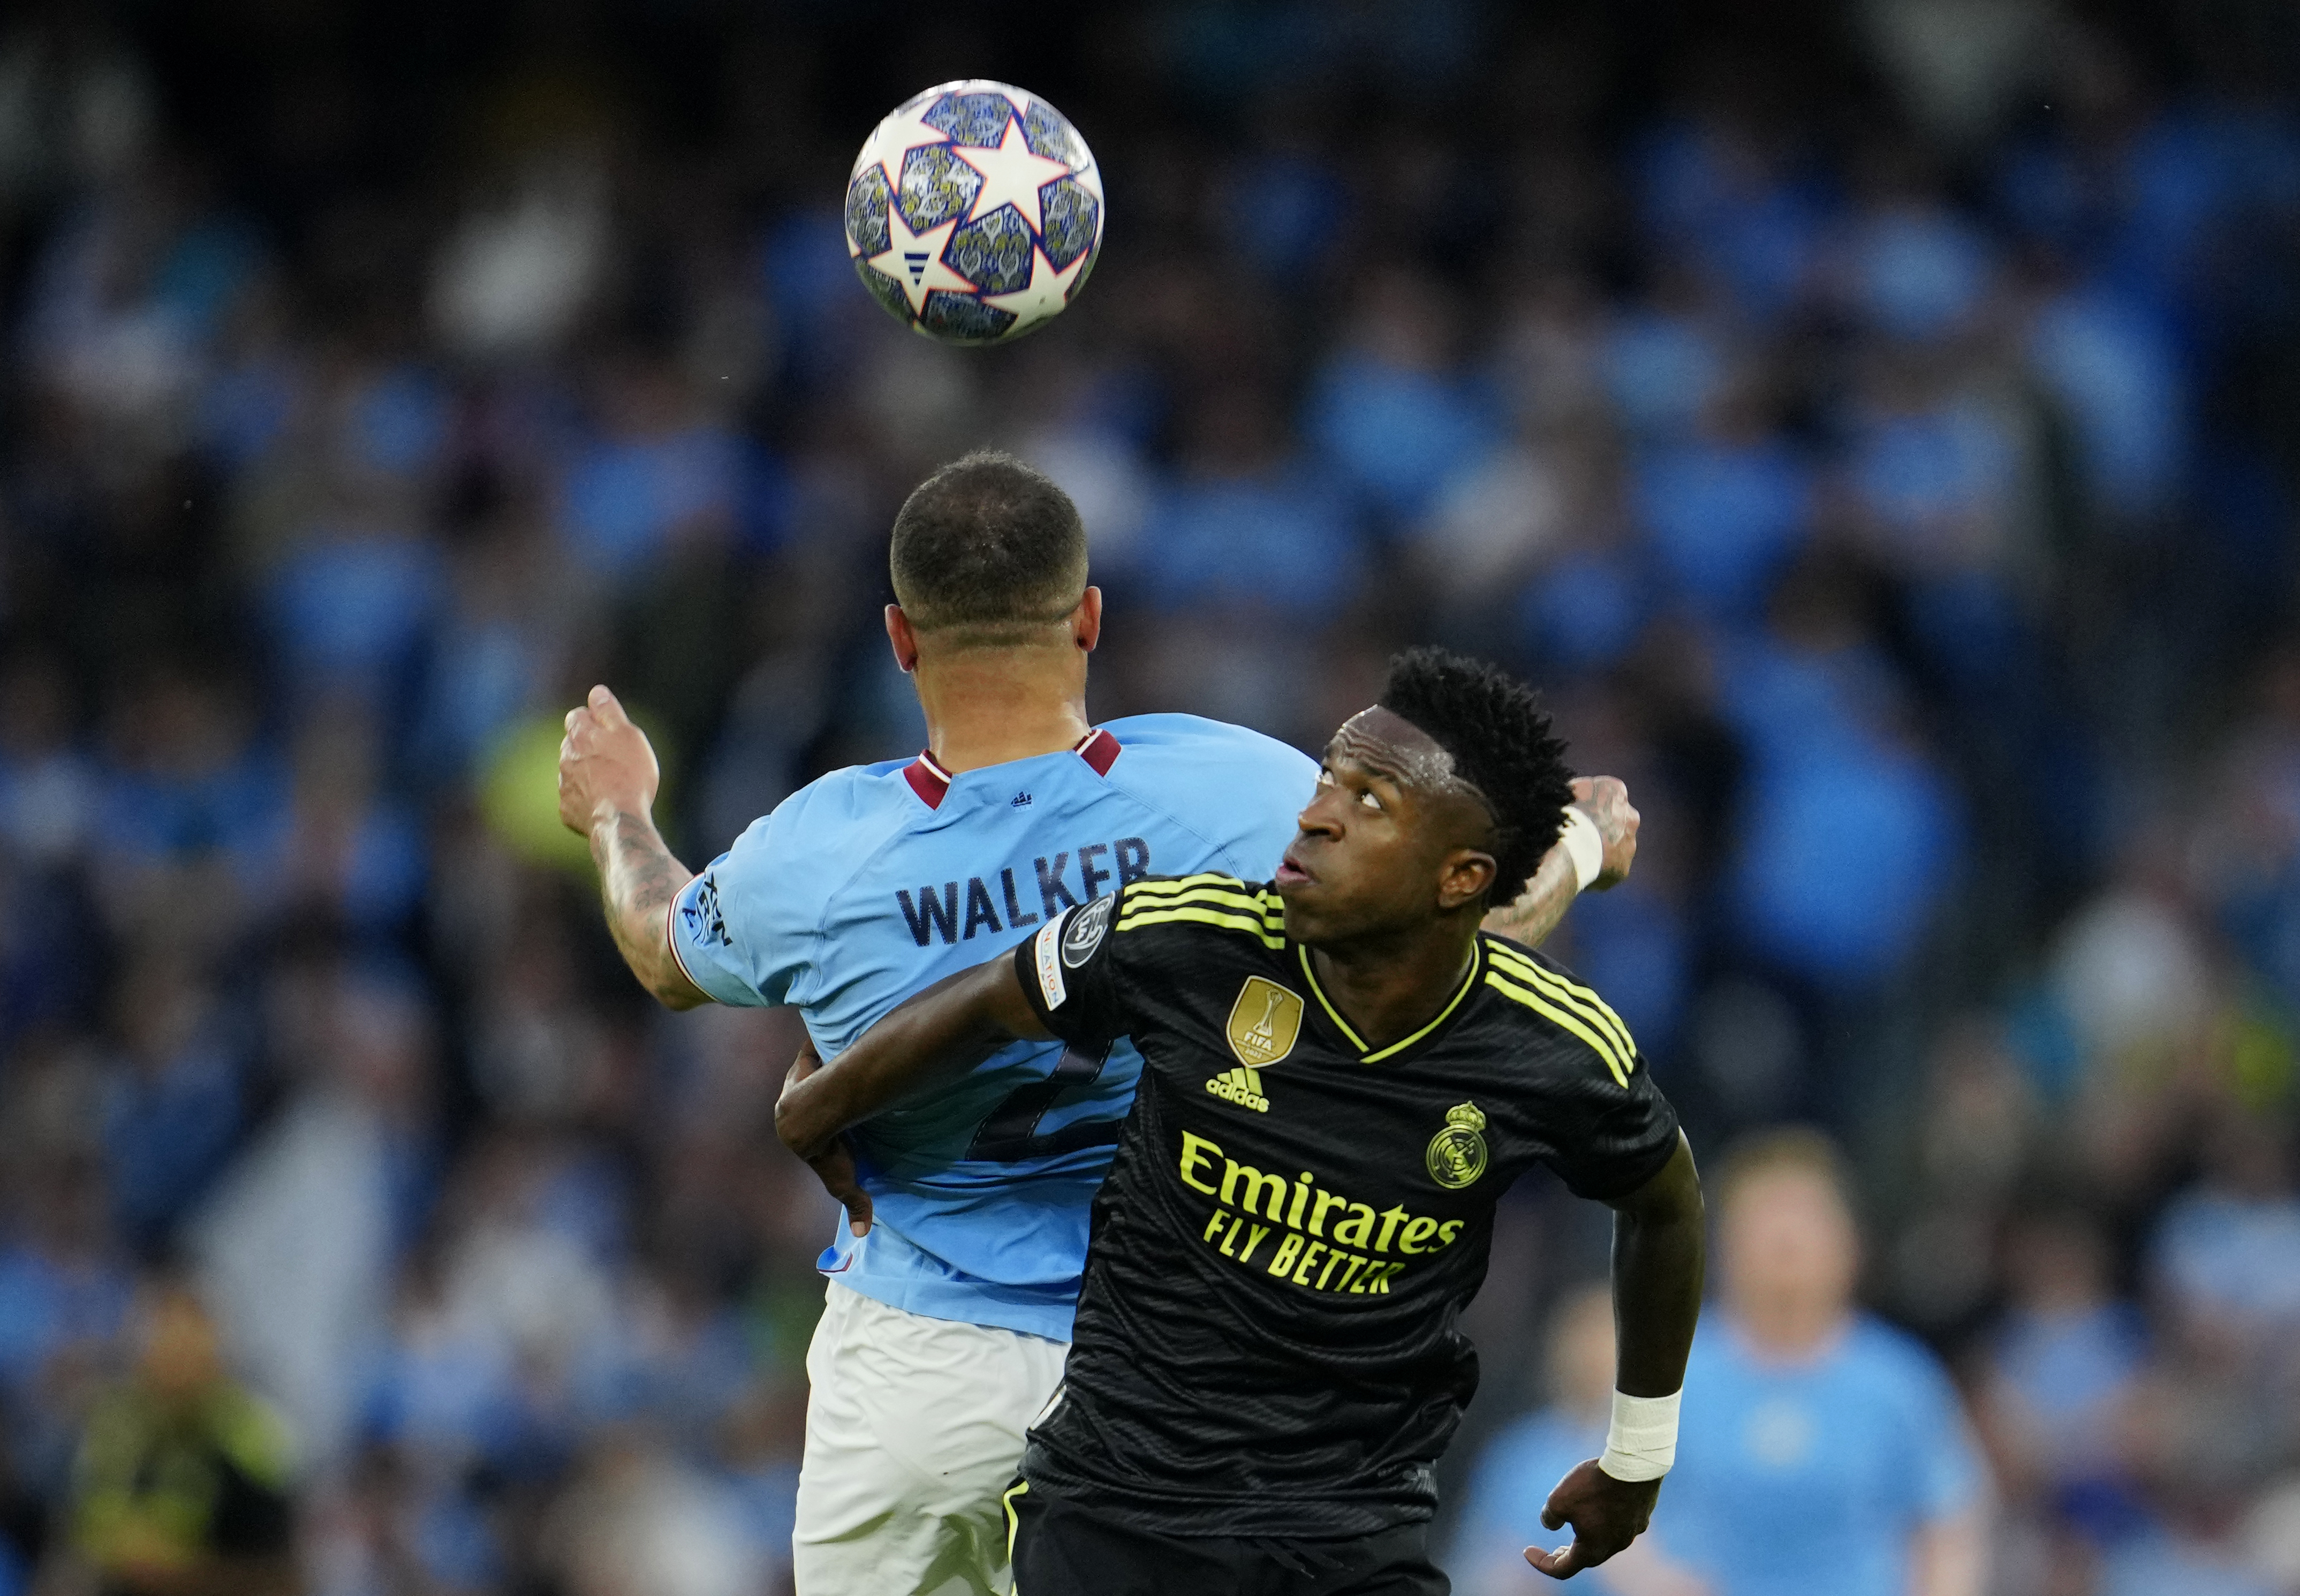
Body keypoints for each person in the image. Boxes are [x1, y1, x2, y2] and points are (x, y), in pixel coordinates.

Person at [556, 454, 1641, 1595]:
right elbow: (1460, 933)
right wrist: (1579, 847)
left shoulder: (816, 850)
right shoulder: (1238, 793)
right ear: (1088, 616)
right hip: (1167, 1380)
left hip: (917, 1380)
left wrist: (620, 806)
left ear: (900, 637)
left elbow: (661, 944)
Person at [777, 647, 1705, 1594]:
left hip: (1354, 1532)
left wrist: (1638, 1456)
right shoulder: (1182, 941)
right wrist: (816, 1110)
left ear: (1462, 876)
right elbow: (989, 999)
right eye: (1328, 778)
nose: (1314, 814)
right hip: (1121, 1515)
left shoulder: (1552, 1048)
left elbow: (1666, 1204)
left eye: (1368, 801)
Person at [1620, 1130, 1991, 1596]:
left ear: (1849, 1242)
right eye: (1764, 1220)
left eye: (1805, 1219)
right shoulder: (1662, 1375)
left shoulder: (1898, 1382)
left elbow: (1950, 1525)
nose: (1785, 1240)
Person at [71, 1283, 300, 1596]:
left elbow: (286, 1578)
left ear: (218, 1363)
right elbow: (77, 1545)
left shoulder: (251, 1444)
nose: (176, 1367)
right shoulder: (112, 1428)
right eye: (164, 1348)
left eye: (190, 1353)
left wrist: (180, 1577)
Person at [1451, 1284, 1636, 1596]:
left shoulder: (1668, 1454)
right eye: (1582, 1338)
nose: (1592, 1354)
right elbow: (1476, 1561)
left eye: (1607, 1337)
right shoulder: (1518, 1455)